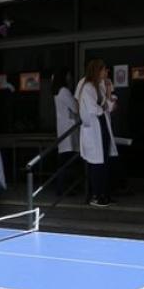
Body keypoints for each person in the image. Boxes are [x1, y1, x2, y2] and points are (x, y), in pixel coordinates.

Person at [75, 59, 117, 207]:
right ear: (98, 71)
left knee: (104, 161)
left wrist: (108, 94)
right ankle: (96, 195)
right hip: (94, 128)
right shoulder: (87, 86)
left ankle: (104, 194)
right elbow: (94, 108)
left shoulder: (100, 86)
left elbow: (110, 106)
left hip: (102, 126)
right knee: (96, 163)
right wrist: (104, 106)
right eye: (105, 69)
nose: (107, 72)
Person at [52, 67, 80, 196]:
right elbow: (75, 108)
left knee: (64, 160)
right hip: (68, 131)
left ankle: (63, 188)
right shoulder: (64, 91)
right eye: (69, 75)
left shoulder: (58, 91)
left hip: (64, 130)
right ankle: (63, 188)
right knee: (66, 162)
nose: (70, 78)